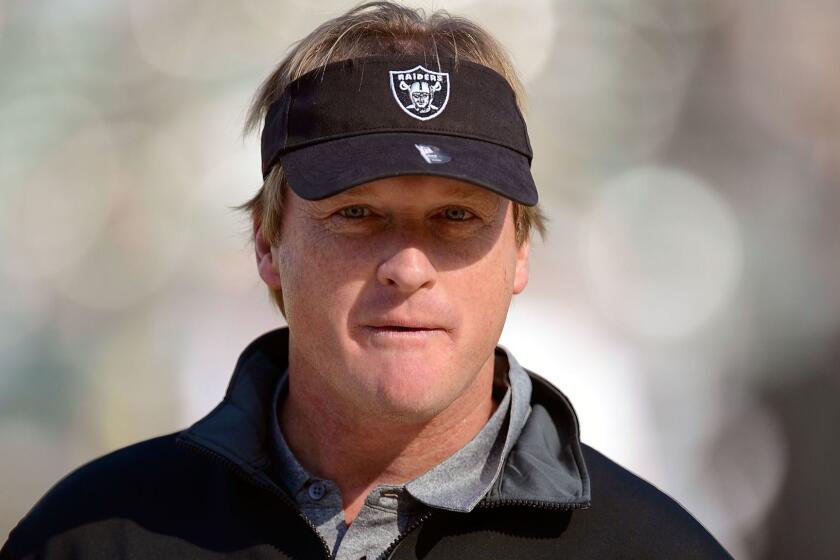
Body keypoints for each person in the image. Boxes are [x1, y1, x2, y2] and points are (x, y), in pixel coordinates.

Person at [1, 3, 733, 559]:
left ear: (519, 253)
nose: (408, 268)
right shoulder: (96, 536)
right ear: (267, 242)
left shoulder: (655, 549)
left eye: (455, 215)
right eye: (356, 214)